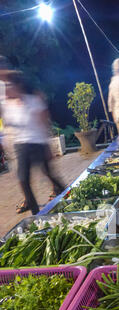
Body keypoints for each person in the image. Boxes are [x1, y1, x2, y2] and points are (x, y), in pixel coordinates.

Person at [1, 72, 65, 215]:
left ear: (19, 86)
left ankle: (67, 195)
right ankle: (36, 214)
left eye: (9, 86)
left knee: (50, 175)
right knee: (23, 179)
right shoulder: (8, 105)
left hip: (38, 142)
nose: (7, 89)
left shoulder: (34, 100)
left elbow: (44, 124)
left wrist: (48, 146)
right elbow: (7, 125)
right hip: (20, 145)